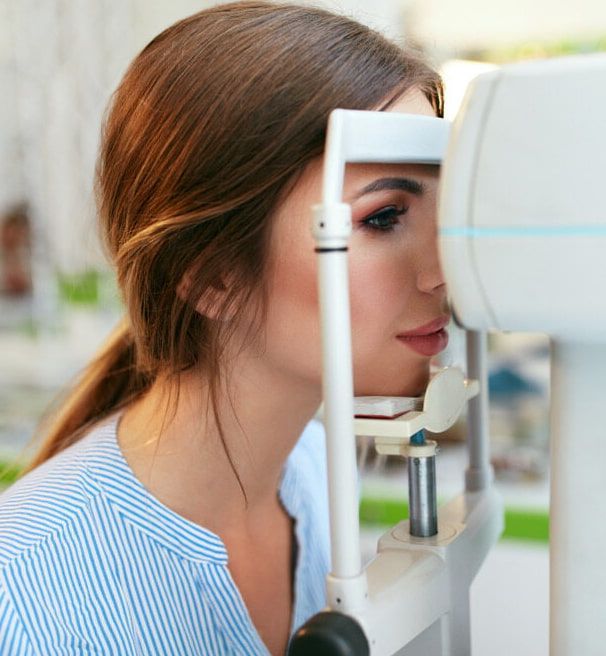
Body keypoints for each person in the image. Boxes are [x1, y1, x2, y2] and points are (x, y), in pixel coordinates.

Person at [0, 2, 448, 654]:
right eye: (383, 217)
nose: (441, 270)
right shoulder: (21, 593)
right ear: (211, 275)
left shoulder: (317, 475)